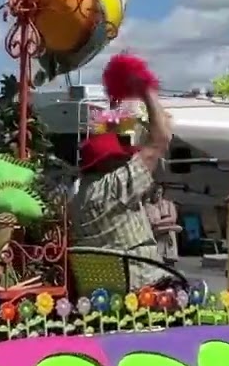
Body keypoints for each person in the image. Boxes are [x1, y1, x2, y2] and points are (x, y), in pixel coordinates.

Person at [70, 87, 174, 288]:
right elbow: (161, 140)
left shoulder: (78, 198)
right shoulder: (116, 185)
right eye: (122, 157)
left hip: (101, 289)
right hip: (143, 282)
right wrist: (146, 91)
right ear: (110, 163)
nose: (127, 161)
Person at [145, 184, 181, 265]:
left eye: (160, 193)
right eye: (155, 193)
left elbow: (173, 218)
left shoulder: (168, 204)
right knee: (167, 229)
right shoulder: (149, 206)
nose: (158, 195)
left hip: (165, 229)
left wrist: (160, 222)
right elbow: (153, 222)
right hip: (155, 231)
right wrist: (167, 223)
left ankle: (170, 256)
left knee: (170, 232)